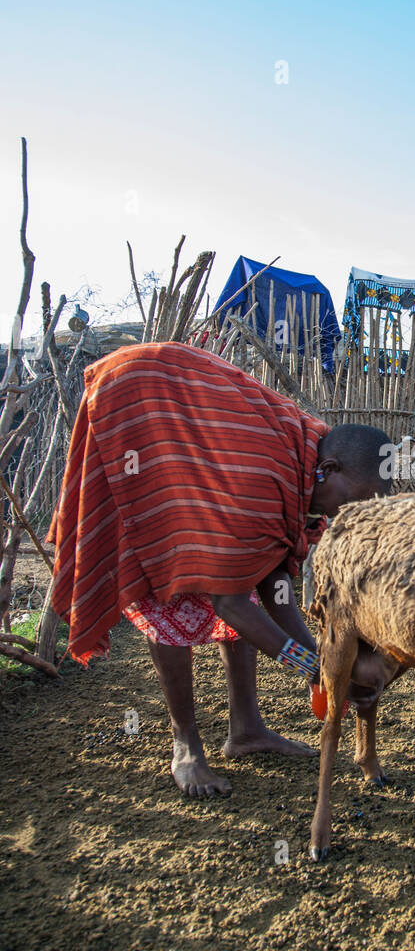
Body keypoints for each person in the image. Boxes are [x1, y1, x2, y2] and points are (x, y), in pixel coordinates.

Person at [48, 341, 389, 799]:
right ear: (328, 469)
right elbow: (228, 603)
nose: (343, 515)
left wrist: (327, 664)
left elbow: (271, 579)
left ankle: (245, 729)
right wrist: (317, 668)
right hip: (139, 414)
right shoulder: (262, 484)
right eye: (351, 500)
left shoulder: (300, 462)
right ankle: (185, 745)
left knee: (241, 573)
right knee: (172, 595)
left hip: (173, 410)